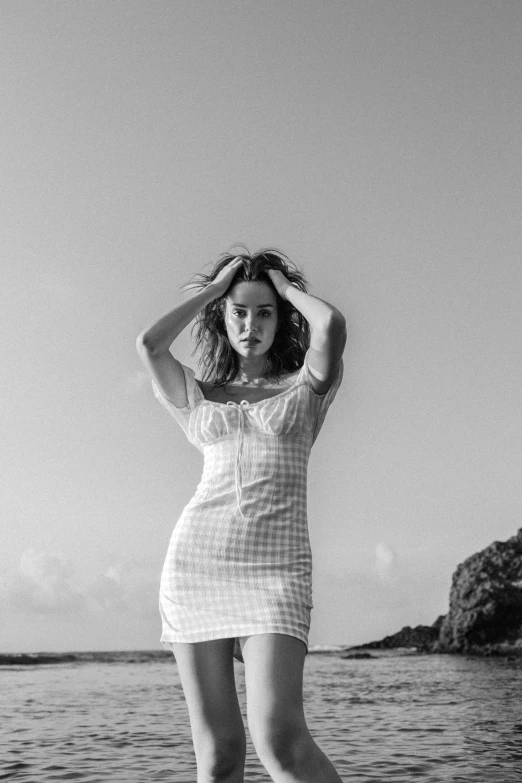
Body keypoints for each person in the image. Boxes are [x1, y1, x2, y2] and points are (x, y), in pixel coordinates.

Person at [136, 247, 346, 783]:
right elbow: (149, 344)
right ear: (222, 319)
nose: (251, 324)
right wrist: (215, 290)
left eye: (265, 311)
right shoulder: (199, 395)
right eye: (240, 312)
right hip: (196, 567)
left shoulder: (306, 387)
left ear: (282, 317)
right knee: (219, 754)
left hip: (276, 574)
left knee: (282, 740)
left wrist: (278, 282)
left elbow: (332, 323)